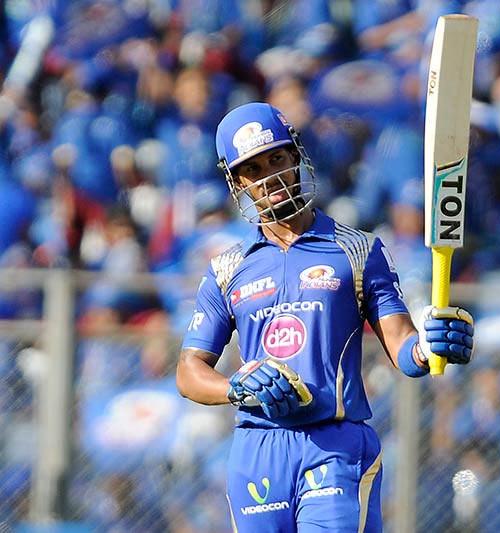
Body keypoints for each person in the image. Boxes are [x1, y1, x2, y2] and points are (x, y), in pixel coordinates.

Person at [176, 101, 475, 532]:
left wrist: (430, 346)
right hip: (257, 448)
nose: (271, 177)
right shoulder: (226, 268)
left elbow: (404, 348)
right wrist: (235, 389)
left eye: (277, 158)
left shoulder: (356, 249)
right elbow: (189, 371)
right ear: (237, 181)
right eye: (255, 169)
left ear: (296, 157)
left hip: (335, 445)